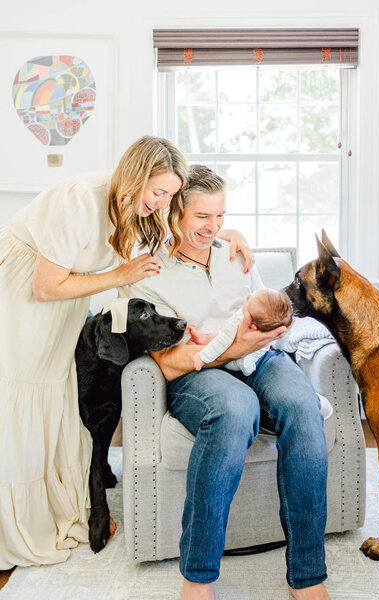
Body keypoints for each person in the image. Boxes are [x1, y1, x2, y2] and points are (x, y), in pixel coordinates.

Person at [0, 137, 252, 570]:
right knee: (16, 403)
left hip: (65, 300)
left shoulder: (139, 208)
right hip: (23, 297)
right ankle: (11, 524)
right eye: (159, 192)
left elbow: (185, 230)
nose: (164, 202)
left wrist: (227, 230)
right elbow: (44, 286)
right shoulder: (80, 200)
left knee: (49, 402)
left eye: (172, 195)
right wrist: (119, 273)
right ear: (135, 177)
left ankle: (45, 508)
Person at [119, 164, 331, 600]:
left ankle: (308, 577)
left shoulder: (235, 253)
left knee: (302, 405)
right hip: (200, 374)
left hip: (261, 359)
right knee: (237, 410)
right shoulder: (150, 272)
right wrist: (230, 348)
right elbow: (173, 363)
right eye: (202, 217)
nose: (213, 226)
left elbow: (268, 307)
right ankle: (197, 577)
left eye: (220, 215)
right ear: (176, 210)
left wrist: (275, 332)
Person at [190, 288, 293, 372]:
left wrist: (203, 357)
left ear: (252, 325)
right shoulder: (275, 325)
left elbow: (222, 341)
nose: (248, 296)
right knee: (224, 334)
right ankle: (204, 339)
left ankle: (204, 342)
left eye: (249, 301)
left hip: (241, 363)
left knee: (224, 339)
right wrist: (280, 344)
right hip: (256, 353)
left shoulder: (240, 320)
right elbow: (282, 339)